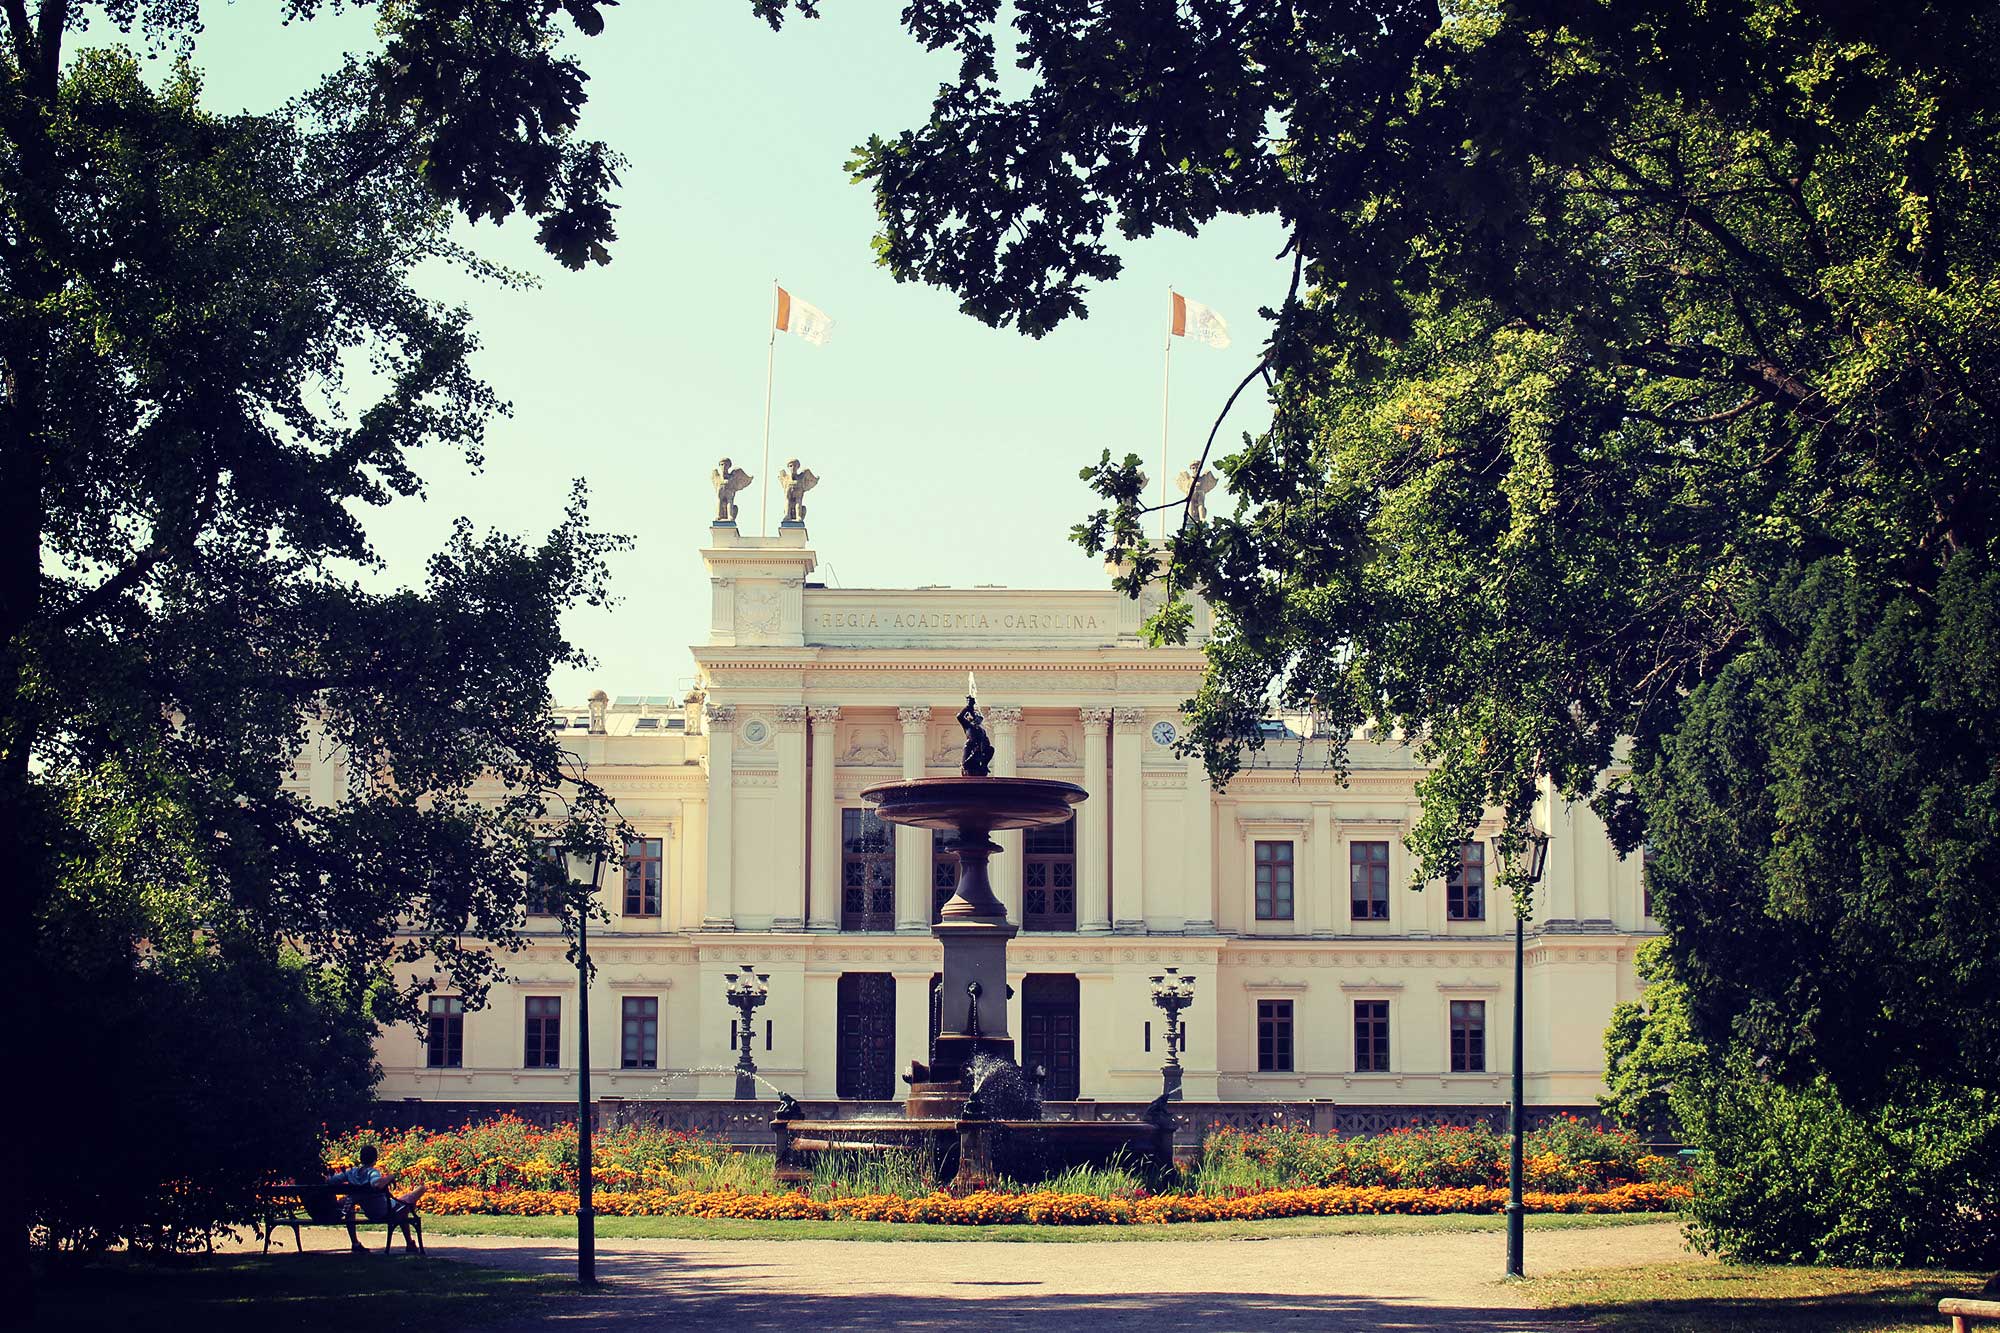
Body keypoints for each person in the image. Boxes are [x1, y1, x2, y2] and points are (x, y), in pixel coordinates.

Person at [329, 1142, 425, 1252]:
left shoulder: (351, 1173)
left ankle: (410, 1243)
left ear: (360, 1159)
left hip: (370, 1212)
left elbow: (331, 1181)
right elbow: (377, 1184)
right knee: (419, 1191)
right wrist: (391, 1177)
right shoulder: (372, 1172)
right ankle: (410, 1243)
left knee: (403, 1210)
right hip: (386, 1211)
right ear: (375, 1159)